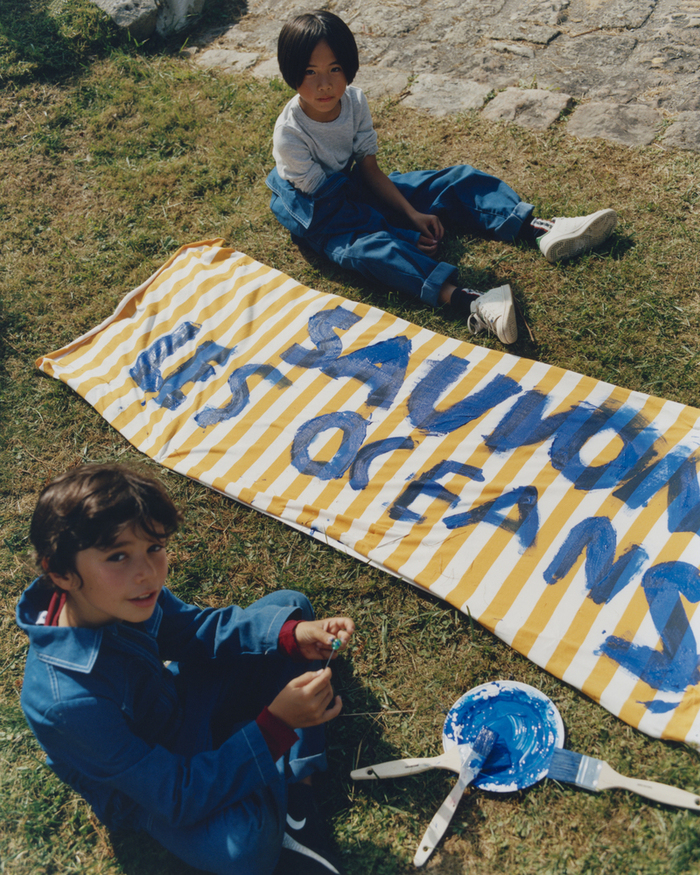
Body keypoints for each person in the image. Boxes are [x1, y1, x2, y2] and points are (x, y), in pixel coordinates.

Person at [16, 464, 354, 875]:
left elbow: (194, 629)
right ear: (61, 573)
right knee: (245, 848)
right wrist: (276, 726)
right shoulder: (65, 702)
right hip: (154, 789)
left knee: (291, 610)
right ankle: (286, 779)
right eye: (117, 556)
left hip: (178, 703)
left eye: (154, 548)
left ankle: (294, 796)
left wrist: (291, 635)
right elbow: (173, 794)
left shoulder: (120, 593)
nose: (146, 572)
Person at [266, 10, 618, 346]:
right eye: (310, 71)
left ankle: (539, 229)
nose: (324, 84)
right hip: (318, 209)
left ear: (350, 68)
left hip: (351, 182)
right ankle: (472, 301)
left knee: (451, 182)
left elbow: (369, 171)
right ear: (292, 71)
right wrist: (403, 232)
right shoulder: (290, 136)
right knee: (372, 251)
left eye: (335, 68)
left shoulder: (354, 101)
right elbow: (343, 213)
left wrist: (412, 214)